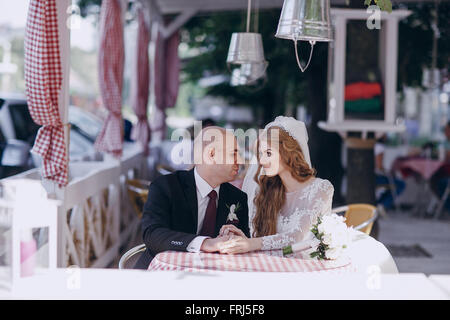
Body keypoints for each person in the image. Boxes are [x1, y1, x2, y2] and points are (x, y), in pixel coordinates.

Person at [134, 126, 250, 269]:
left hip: (214, 276)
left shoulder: (238, 197)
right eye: (234, 153)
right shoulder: (165, 186)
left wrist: (238, 239)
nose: (240, 160)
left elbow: (244, 243)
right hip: (161, 274)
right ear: (212, 154)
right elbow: (152, 234)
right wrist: (205, 243)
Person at [217, 116, 334, 254]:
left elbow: (298, 236)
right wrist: (241, 237)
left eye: (268, 153)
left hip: (306, 269)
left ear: (287, 152)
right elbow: (257, 238)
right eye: (261, 154)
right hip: (270, 265)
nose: (263, 160)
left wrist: (251, 243)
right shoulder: (266, 190)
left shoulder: (321, 189)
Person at [374, 135, 405, 211]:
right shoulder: (379, 147)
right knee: (400, 184)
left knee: (392, 185)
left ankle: (380, 204)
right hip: (376, 177)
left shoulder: (372, 145)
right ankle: (382, 204)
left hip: (371, 177)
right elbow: (379, 166)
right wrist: (387, 172)